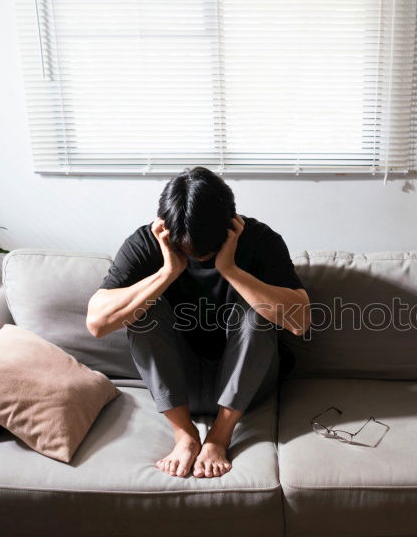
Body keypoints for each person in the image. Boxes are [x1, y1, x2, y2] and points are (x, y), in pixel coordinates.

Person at [86, 167, 309, 479]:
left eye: (207, 249)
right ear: (164, 227)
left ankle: (219, 435)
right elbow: (97, 323)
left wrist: (230, 269)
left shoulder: (259, 239)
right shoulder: (147, 241)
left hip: (247, 384)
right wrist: (167, 272)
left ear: (233, 224)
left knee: (256, 306)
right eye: (185, 247)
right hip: (178, 386)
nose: (196, 255)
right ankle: (185, 435)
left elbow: (300, 322)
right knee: (144, 308)